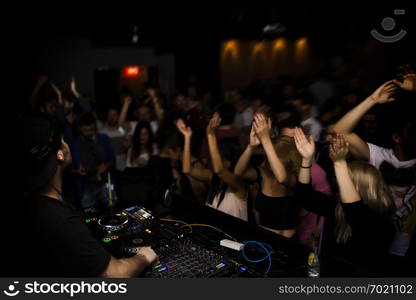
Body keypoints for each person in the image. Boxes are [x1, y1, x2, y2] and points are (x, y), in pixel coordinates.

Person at [22, 115, 157, 277]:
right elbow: (116, 274)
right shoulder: (61, 221)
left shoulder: (34, 204)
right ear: (60, 154)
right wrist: (143, 256)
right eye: (63, 140)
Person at [331, 74, 416, 264]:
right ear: (397, 137)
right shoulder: (380, 156)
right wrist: (372, 100)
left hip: (408, 248)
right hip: (373, 239)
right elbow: (339, 132)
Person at [294, 130, 395, 275]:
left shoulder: (381, 223)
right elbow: (304, 197)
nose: (339, 182)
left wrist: (340, 163)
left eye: (345, 179)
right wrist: (306, 160)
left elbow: (356, 214)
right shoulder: (336, 207)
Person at [234, 113, 302, 237]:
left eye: (277, 157)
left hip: (288, 244)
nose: (271, 159)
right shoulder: (263, 174)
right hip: (264, 240)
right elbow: (238, 172)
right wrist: (251, 146)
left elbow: (282, 178)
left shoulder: (295, 178)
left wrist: (266, 139)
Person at [176, 114, 248, 221]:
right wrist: (187, 137)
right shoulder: (212, 177)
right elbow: (187, 169)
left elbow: (220, 170)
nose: (213, 160)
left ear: (229, 162)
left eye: (218, 157)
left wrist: (210, 135)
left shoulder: (238, 183)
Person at [70, 113, 115, 211]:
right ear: (80, 129)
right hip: (86, 187)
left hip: (104, 184)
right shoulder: (74, 144)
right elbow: (68, 169)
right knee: (88, 215)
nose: (89, 133)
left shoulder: (103, 139)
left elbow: (112, 159)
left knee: (111, 211)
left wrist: (106, 165)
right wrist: (77, 171)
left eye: (92, 130)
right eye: (86, 130)